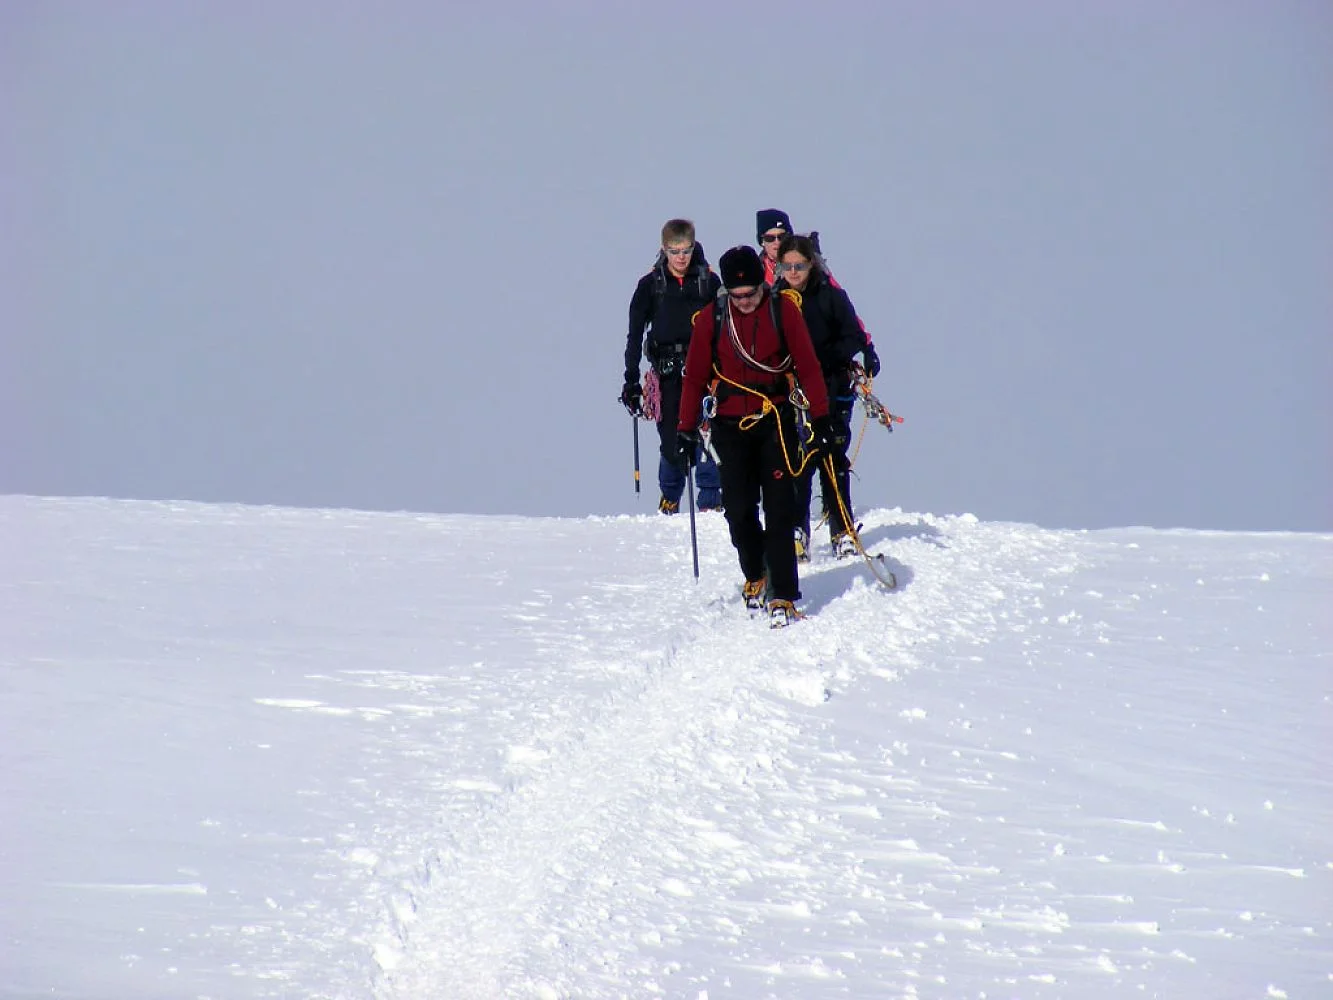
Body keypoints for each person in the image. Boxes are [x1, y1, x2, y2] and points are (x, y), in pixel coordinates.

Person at [676, 245, 837, 628]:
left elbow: (808, 367)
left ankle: (783, 593)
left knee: (780, 510)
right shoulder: (712, 319)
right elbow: (695, 377)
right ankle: (755, 573)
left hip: (775, 421)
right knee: (738, 510)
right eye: (737, 296)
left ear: (762, 287)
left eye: (750, 294)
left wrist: (821, 419)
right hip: (729, 427)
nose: (745, 301)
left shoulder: (784, 311)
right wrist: (684, 428)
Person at [773, 234, 868, 560]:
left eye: (799, 266)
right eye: (787, 266)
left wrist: (823, 359)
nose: (793, 272)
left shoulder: (830, 296)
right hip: (790, 391)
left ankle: (842, 530)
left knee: (833, 458)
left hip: (831, 387)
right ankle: (797, 529)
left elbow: (853, 336)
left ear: (811, 264)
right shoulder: (774, 300)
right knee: (796, 461)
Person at [621, 219, 723, 513]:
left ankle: (710, 502)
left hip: (706, 371)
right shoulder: (650, 286)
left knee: (708, 432)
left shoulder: (709, 282)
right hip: (667, 374)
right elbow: (634, 335)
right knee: (671, 439)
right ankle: (670, 498)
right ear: (664, 249)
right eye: (674, 251)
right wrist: (631, 381)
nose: (681, 257)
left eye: (686, 250)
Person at [755, 207, 794, 286]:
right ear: (762, 242)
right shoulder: (753, 270)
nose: (777, 242)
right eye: (770, 238)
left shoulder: (804, 264)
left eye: (782, 237)